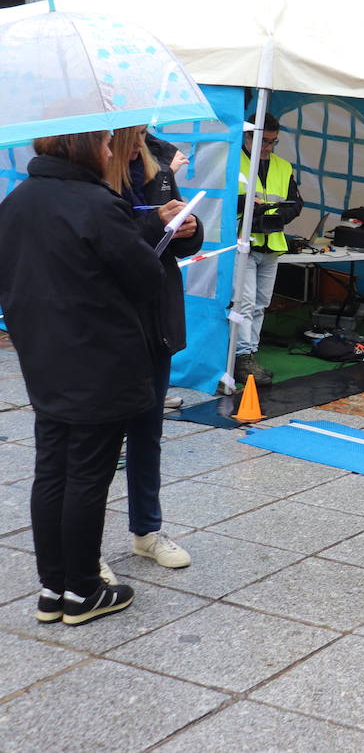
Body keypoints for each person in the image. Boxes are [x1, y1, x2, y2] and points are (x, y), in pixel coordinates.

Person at [0, 130, 166, 625]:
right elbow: (146, 277)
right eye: (108, 144)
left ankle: (53, 589)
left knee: (52, 469)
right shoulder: (96, 204)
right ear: (84, 146)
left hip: (43, 355)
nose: (113, 152)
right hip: (99, 359)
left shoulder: (17, 200)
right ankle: (84, 590)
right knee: (88, 475)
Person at [106, 125, 202, 569]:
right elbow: (103, 244)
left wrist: (189, 228)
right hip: (110, 319)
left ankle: (146, 530)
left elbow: (173, 240)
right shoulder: (90, 163)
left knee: (148, 432)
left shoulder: (160, 157)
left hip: (156, 315)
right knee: (98, 441)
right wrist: (152, 221)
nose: (143, 128)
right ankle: (81, 548)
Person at [234, 113, 302, 384]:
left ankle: (251, 353)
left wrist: (276, 215)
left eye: (273, 142)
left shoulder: (283, 167)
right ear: (247, 136)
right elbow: (225, 199)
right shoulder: (232, 161)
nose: (267, 147)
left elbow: (296, 203)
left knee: (261, 304)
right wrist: (250, 204)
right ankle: (242, 357)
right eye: (263, 141)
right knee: (246, 303)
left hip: (271, 242)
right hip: (242, 242)